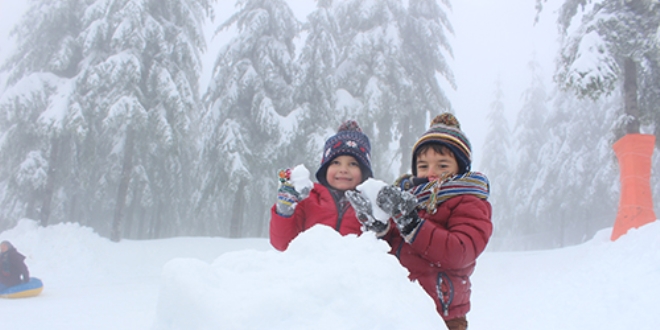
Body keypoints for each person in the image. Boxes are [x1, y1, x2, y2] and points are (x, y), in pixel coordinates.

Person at [347, 113, 491, 330]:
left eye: (442, 166)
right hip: (402, 308)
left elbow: (461, 252)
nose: (431, 173)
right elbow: (394, 246)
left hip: (444, 316)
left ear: (460, 169)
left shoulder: (468, 201)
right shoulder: (408, 197)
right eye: (423, 166)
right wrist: (379, 229)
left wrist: (413, 224)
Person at [269, 120, 374, 251]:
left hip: (354, 270)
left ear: (364, 172)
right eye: (336, 162)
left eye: (353, 164)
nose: (343, 169)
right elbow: (282, 244)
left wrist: (381, 228)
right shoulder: (308, 199)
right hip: (312, 270)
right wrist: (284, 211)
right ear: (325, 169)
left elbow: (388, 250)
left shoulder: (372, 204)